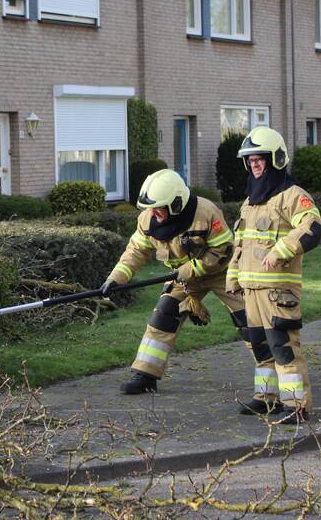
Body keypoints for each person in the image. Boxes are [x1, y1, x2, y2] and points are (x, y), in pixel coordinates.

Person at [101, 169, 256, 395]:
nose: (154, 212)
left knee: (250, 319)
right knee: (162, 318)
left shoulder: (205, 212)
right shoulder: (148, 220)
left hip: (222, 273)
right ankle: (146, 376)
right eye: (150, 208)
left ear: (176, 203)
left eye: (159, 207)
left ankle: (273, 371)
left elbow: (223, 250)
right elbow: (135, 251)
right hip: (183, 279)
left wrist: (192, 268)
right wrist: (116, 278)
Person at [227, 127, 321, 424]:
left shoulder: (292, 195)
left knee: (283, 346)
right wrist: (233, 277)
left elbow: (312, 226)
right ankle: (266, 398)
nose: (255, 165)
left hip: (278, 291)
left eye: (260, 159)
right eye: (251, 160)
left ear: (275, 160)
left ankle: (296, 406)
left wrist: (281, 250)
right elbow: (240, 242)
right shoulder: (250, 201)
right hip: (251, 288)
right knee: (260, 347)